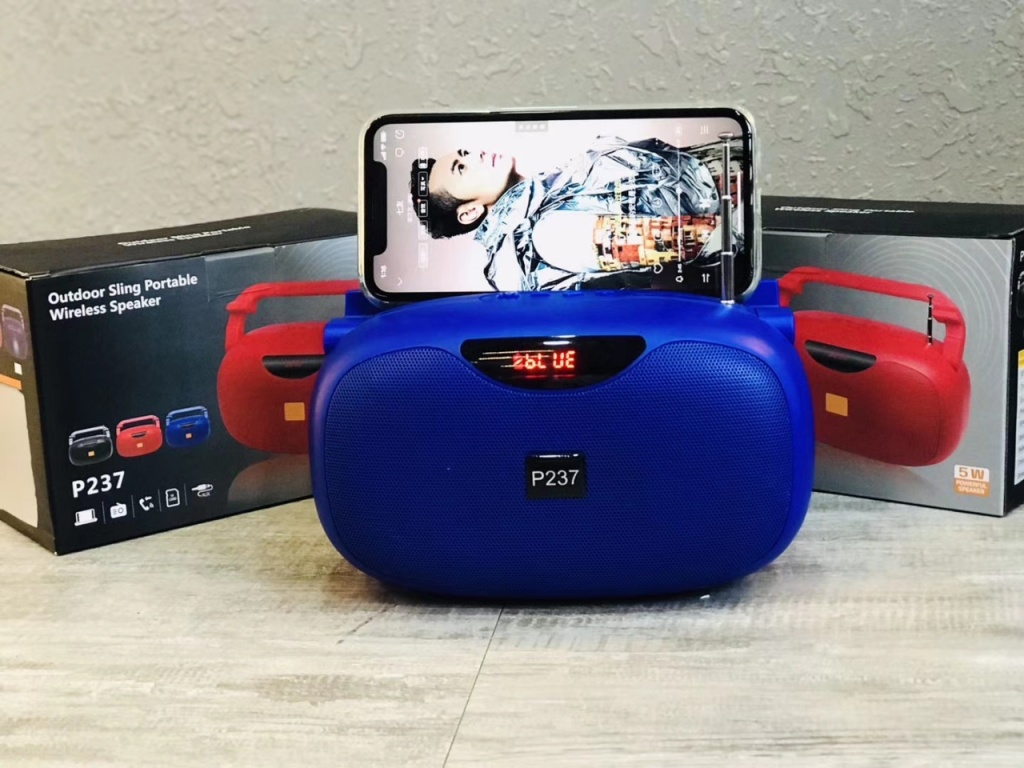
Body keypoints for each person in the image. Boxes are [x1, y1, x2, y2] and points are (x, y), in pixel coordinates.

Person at [410, 135, 732, 291]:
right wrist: (743, 215)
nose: (475, 155)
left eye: (465, 152)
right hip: (737, 212)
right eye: (462, 167)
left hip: (731, 180)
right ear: (469, 212)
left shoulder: (554, 190)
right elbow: (693, 239)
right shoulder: (549, 236)